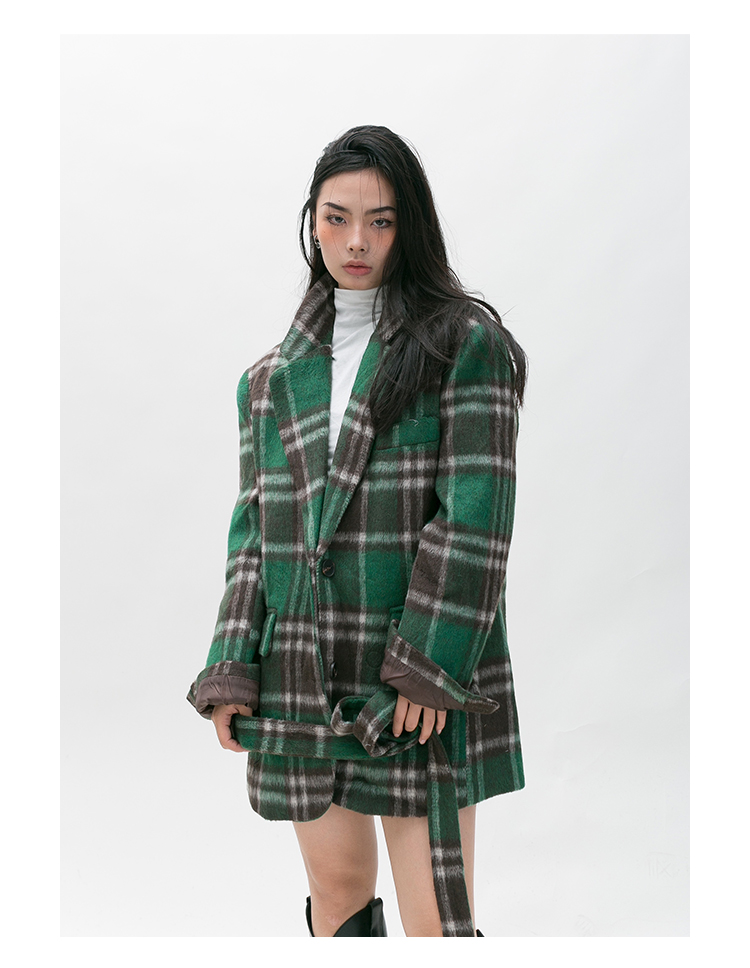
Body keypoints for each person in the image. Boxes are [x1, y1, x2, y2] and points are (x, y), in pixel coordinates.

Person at [187, 124, 528, 938]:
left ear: (411, 225)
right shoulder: (267, 381)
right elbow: (254, 532)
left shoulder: (463, 346)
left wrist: (427, 668)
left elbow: (476, 518)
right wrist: (233, 665)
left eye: (381, 221)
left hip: (412, 683)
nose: (356, 242)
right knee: (337, 894)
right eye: (336, 218)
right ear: (311, 220)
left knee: (437, 920)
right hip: (299, 671)